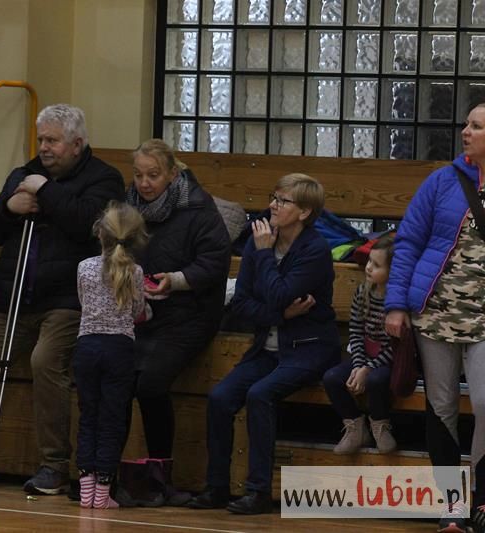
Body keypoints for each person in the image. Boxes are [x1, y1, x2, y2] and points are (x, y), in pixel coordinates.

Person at [0, 104, 125, 495]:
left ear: (77, 144)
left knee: (45, 360)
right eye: (41, 139)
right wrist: (8, 207)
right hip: (14, 295)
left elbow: (88, 225)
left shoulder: (105, 178)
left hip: (67, 299)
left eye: (53, 140)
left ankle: (54, 464)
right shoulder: (23, 174)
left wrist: (45, 192)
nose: (44, 147)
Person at [193, 174, 340, 514]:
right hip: (268, 347)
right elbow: (241, 304)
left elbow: (278, 293)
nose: (273, 205)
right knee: (220, 397)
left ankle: (258, 491)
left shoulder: (314, 250)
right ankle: (217, 487)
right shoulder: (259, 242)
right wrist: (281, 315)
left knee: (260, 394)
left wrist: (263, 257)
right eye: (274, 197)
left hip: (309, 347)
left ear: (304, 212)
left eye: (283, 201)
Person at [384, 103, 485, 533]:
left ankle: (483, 501)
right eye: (467, 124)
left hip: (484, 321)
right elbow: (408, 242)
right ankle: (452, 506)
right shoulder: (443, 181)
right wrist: (395, 304)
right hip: (435, 314)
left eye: (476, 126)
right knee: (441, 407)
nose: (465, 131)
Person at [125, 139, 231, 498]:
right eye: (138, 175)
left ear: (172, 174)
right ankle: (106, 473)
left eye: (153, 175)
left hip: (190, 313)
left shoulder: (198, 208)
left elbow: (214, 262)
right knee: (118, 381)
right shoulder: (128, 205)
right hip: (141, 311)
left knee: (151, 384)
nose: (144, 183)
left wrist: (177, 280)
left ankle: (160, 475)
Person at [75, 202, 149, 509]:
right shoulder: (135, 272)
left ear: (99, 233)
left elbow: (84, 302)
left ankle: (86, 490)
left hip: (87, 347)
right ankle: (103, 492)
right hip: (119, 348)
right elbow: (137, 311)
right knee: (112, 419)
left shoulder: (84, 267)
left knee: (88, 416)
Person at [323, 235, 396, 455]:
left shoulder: (398, 302)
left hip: (388, 361)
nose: (369, 267)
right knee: (332, 377)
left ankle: (380, 424)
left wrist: (368, 369)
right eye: (369, 261)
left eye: (377, 265)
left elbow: (396, 347)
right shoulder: (362, 292)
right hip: (363, 357)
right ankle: (355, 426)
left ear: (393, 271)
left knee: (376, 380)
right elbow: (355, 332)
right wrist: (357, 366)